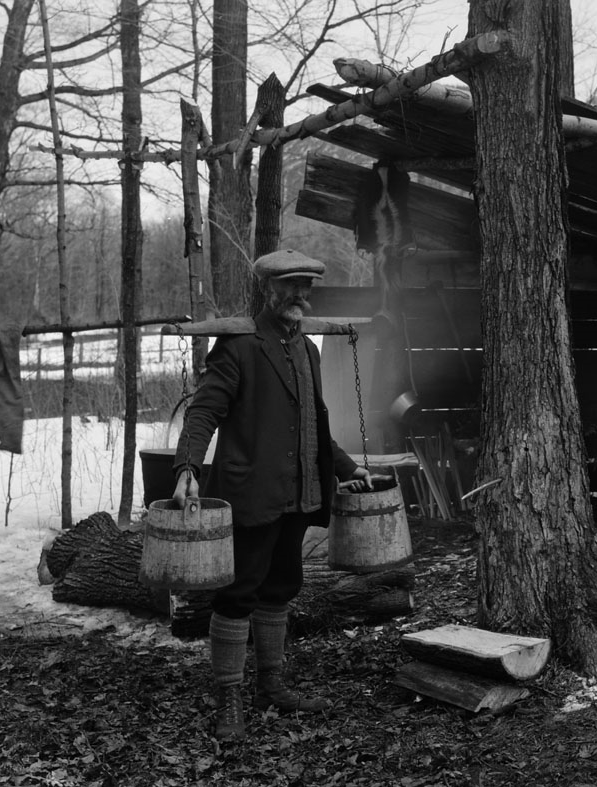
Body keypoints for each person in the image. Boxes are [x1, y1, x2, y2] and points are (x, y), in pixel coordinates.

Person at [172, 248, 372, 741]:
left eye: (306, 286)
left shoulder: (307, 350)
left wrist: (345, 467)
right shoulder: (238, 346)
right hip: (252, 493)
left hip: (300, 493)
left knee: (281, 588)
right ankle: (229, 697)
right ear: (269, 290)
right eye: (290, 287)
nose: (300, 295)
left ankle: (271, 684)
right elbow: (204, 411)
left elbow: (313, 422)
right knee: (239, 593)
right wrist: (188, 467)